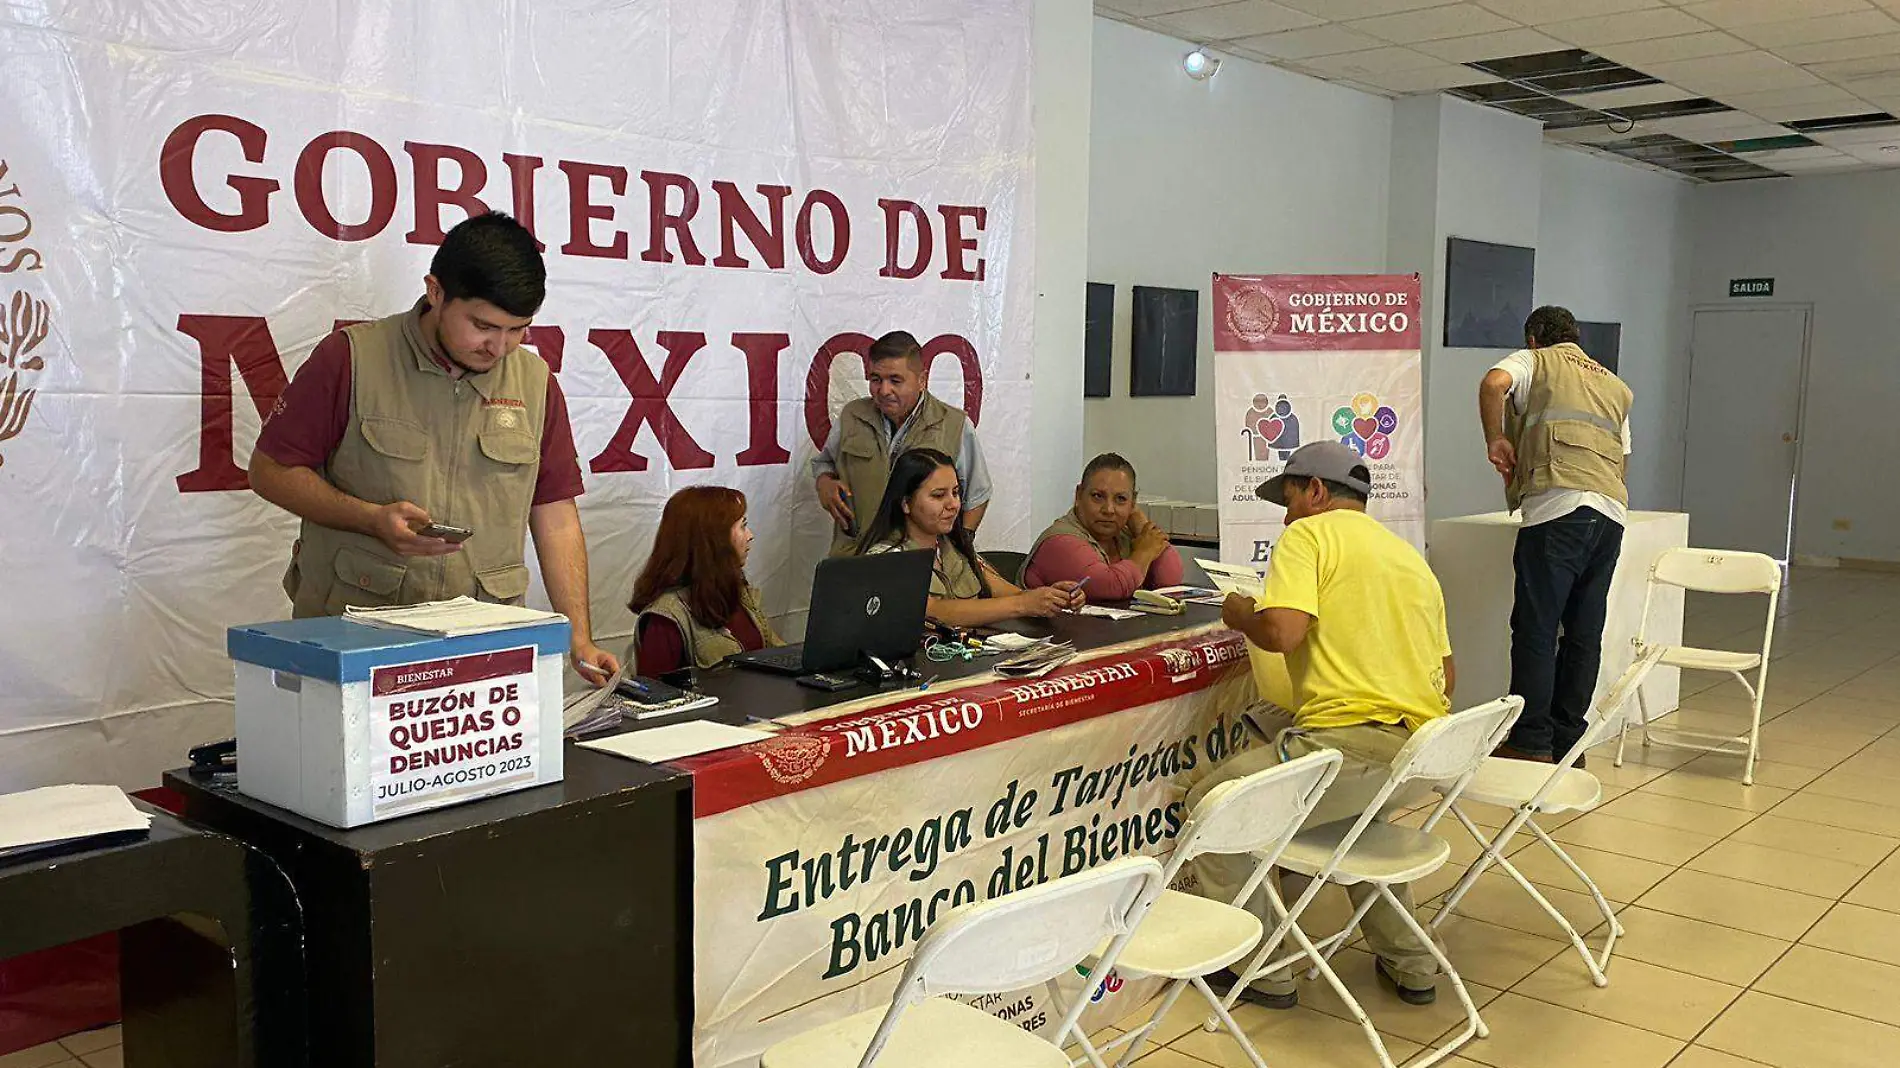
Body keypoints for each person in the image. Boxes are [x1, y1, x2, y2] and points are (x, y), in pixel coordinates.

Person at [249, 211, 618, 685]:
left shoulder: (536, 383)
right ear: (436, 292)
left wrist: (579, 636)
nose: (500, 347)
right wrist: (369, 519)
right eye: (483, 325)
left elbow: (556, 515)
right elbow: (270, 471)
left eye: (518, 329)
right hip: (355, 640)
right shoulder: (351, 358)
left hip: (484, 645)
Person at [1195, 441, 1455, 1009]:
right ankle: (1411, 964)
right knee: (1356, 827)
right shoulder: (1410, 558)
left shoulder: (1307, 536)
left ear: (1314, 491)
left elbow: (1283, 632)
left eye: (1287, 499)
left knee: (1215, 800)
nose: (1284, 516)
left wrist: (1241, 612)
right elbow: (1447, 675)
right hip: (1421, 758)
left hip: (1349, 751)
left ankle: (1256, 969)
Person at [1478, 305, 1633, 764]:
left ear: (1533, 338)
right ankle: (1570, 742)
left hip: (1558, 507)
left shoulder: (1536, 361)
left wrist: (1494, 438)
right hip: (1610, 512)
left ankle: (1529, 741)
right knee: (1584, 632)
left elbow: (1493, 384)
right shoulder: (1614, 385)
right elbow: (1623, 456)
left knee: (1537, 629)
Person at [855, 448, 1081, 628]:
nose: (953, 504)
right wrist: (1023, 605)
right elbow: (934, 611)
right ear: (905, 503)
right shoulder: (885, 558)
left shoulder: (955, 550)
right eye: (938, 495)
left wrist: (1051, 597)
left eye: (955, 493)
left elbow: (1015, 595)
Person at [812, 330, 993, 554]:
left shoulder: (954, 425)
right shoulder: (852, 416)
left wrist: (959, 547)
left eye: (895, 380)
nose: (884, 390)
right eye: (876, 379)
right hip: (855, 557)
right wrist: (824, 483)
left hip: (922, 566)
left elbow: (977, 495)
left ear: (922, 380)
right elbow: (825, 463)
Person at [627, 486, 783, 675]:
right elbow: (656, 697)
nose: (750, 535)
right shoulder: (666, 618)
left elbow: (779, 654)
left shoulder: (739, 595)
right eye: (742, 525)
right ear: (714, 539)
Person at [1020, 453, 1184, 600]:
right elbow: (1111, 586)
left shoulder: (1124, 537)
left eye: (1120, 499)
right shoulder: (1060, 541)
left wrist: (1141, 526)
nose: (1109, 510)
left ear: (1133, 503)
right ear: (1078, 495)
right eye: (1098, 496)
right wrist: (1145, 552)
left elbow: (1170, 582)